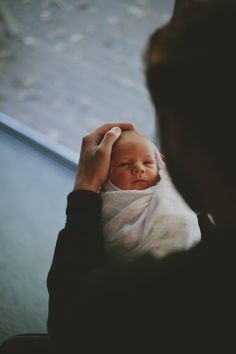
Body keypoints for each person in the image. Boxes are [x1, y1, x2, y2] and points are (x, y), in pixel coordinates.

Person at [47, 1, 236, 353]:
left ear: (176, 145)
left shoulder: (139, 300)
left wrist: (85, 190)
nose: (143, 169)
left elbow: (68, 322)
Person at [101, 129, 201, 260]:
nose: (139, 169)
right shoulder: (104, 206)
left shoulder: (170, 192)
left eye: (147, 163)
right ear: (107, 175)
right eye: (124, 164)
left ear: (159, 165)